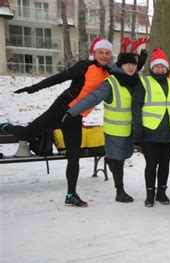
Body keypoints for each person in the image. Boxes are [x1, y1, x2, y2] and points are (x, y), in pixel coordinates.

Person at [0, 38, 114, 207]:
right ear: (94, 53)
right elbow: (61, 77)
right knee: (26, 133)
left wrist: (138, 64)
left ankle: (71, 195)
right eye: (101, 52)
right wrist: (34, 88)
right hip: (60, 109)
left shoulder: (109, 73)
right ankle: (5, 126)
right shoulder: (84, 66)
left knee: (73, 157)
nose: (104, 55)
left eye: (107, 53)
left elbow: (128, 75)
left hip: (75, 117)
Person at [63, 39, 147, 203]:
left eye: (134, 65)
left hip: (130, 130)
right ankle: (120, 191)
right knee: (119, 161)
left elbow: (132, 76)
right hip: (114, 131)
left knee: (122, 157)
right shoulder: (111, 83)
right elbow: (92, 98)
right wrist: (72, 112)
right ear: (120, 65)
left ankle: (111, 164)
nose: (131, 67)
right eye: (127, 64)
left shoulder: (136, 81)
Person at [132, 48, 170, 207]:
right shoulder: (144, 82)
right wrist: (138, 127)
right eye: (157, 66)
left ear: (167, 68)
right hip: (150, 131)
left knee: (165, 164)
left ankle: (162, 193)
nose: (160, 69)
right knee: (151, 164)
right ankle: (150, 194)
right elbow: (136, 105)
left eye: (163, 66)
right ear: (152, 68)